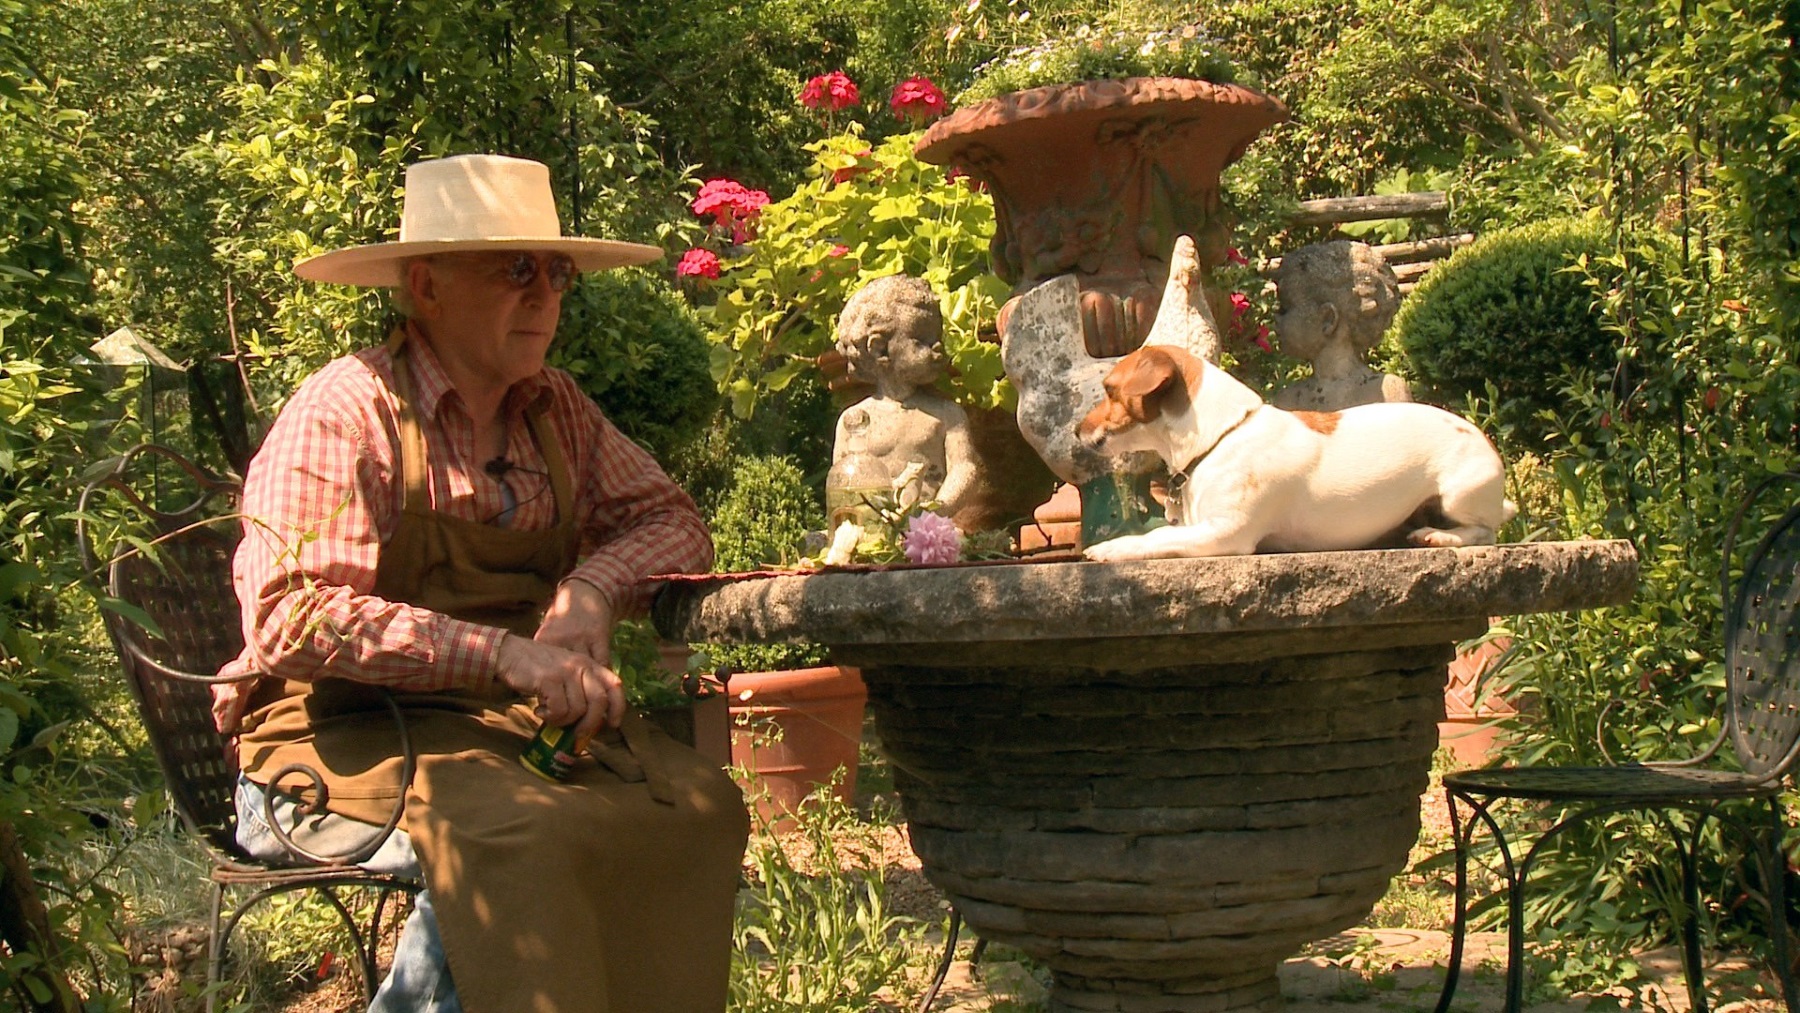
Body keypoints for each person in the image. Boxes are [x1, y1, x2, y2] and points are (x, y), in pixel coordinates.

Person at [209, 153, 748, 1013]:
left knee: (700, 806)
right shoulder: (348, 410)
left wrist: (594, 588)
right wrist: (502, 655)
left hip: (495, 734)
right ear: (426, 286)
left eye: (558, 273)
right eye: (516, 269)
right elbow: (291, 615)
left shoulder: (555, 410)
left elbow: (674, 521)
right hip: (330, 745)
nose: (545, 296)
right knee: (527, 841)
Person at [830, 274, 978, 521]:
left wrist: (936, 512)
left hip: (928, 532)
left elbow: (965, 468)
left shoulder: (947, 415)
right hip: (872, 530)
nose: (937, 348)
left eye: (937, 339)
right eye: (921, 341)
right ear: (880, 348)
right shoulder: (854, 420)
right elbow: (843, 482)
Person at [1269, 240, 1413, 411]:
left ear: (1328, 319)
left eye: (1285, 308)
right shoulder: (1289, 400)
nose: (1276, 317)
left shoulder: (1388, 392)